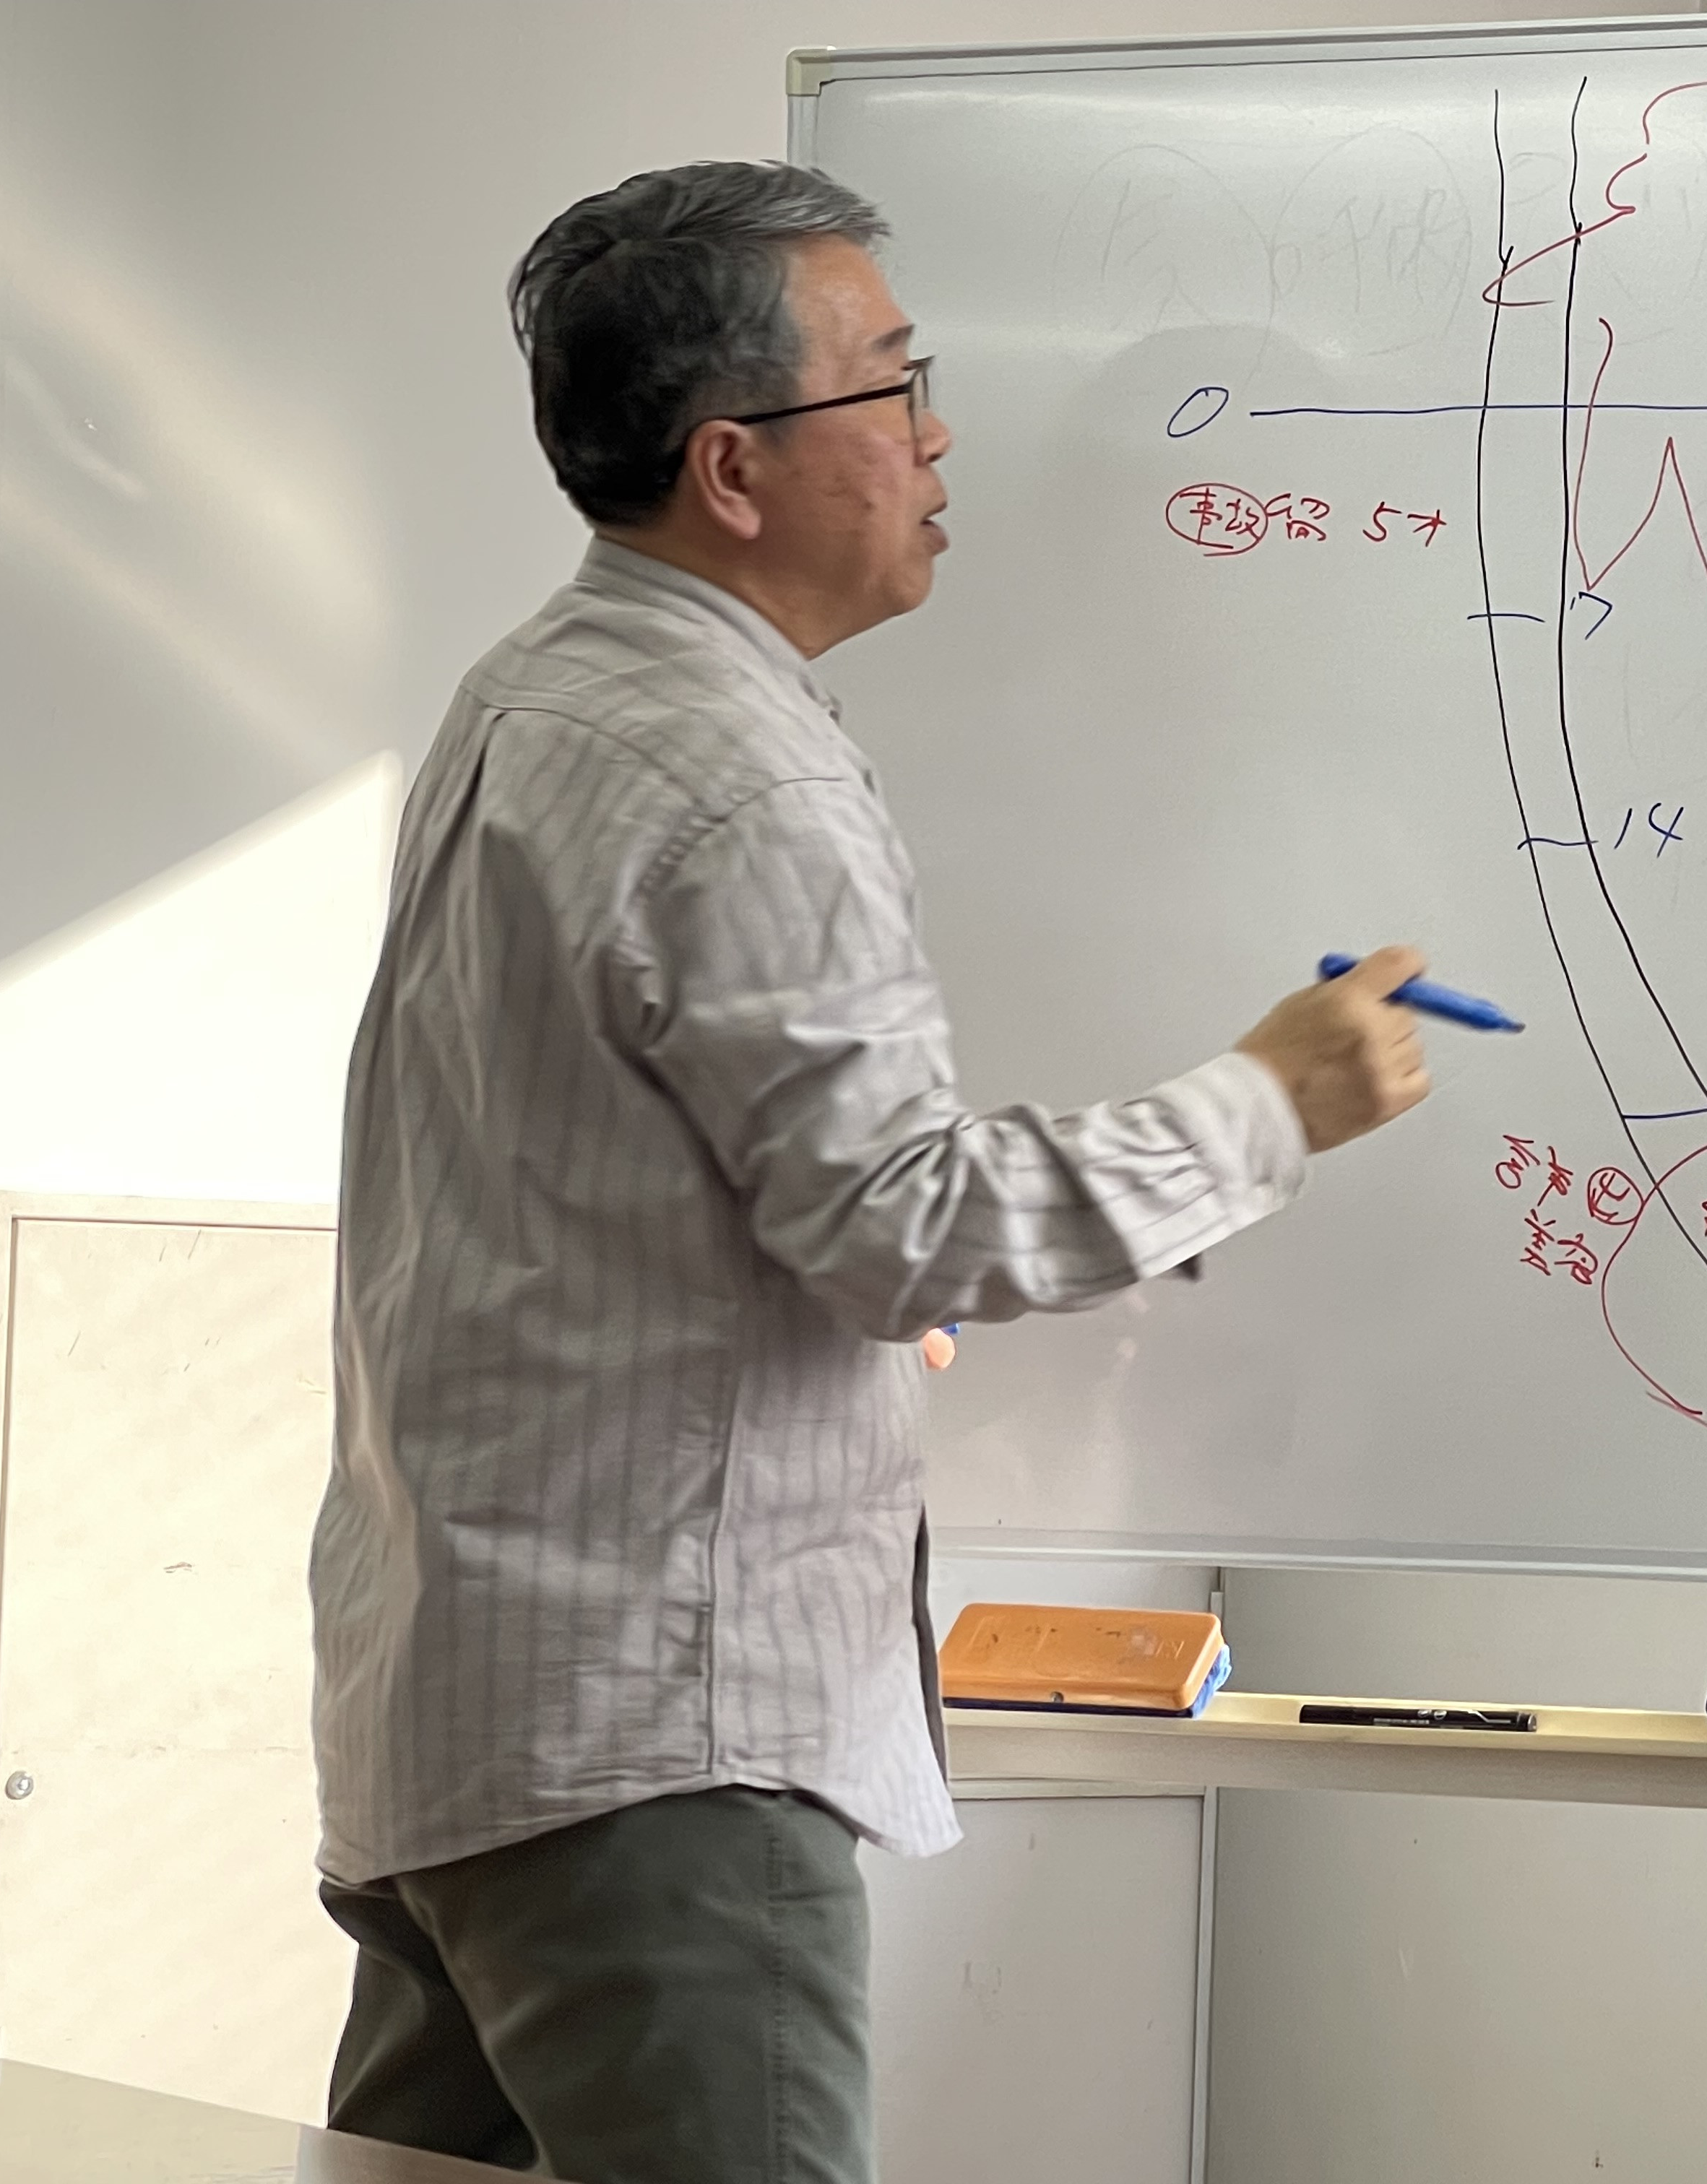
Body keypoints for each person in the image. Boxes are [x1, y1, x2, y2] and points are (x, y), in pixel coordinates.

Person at [306, 160, 1429, 2184]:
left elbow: (594, 1195)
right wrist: (1273, 1104)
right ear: (732, 468)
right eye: (894, 385)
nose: (938, 437)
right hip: (661, 1756)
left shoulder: (531, 696)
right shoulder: (736, 768)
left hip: (467, 1710)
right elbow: (899, 1224)